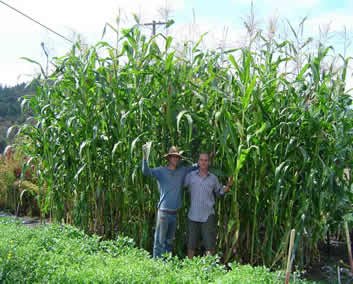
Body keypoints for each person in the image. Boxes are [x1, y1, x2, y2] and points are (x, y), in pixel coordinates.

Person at [142, 145, 197, 259]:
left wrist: (209, 157)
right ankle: (156, 266)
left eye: (177, 157)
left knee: (169, 242)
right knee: (159, 242)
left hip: (174, 213)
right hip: (164, 213)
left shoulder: (182, 171)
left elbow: (194, 167)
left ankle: (166, 264)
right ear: (169, 158)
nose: (175, 159)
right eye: (173, 157)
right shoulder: (161, 171)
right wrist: (145, 156)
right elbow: (146, 171)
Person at [183, 153, 233, 259]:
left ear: (209, 163)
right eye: (201, 160)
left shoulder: (213, 178)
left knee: (209, 245)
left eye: (206, 160)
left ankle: (209, 268)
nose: (203, 162)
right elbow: (179, 184)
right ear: (198, 162)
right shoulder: (190, 176)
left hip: (208, 216)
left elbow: (219, 192)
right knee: (191, 244)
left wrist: (228, 186)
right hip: (193, 215)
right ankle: (189, 267)